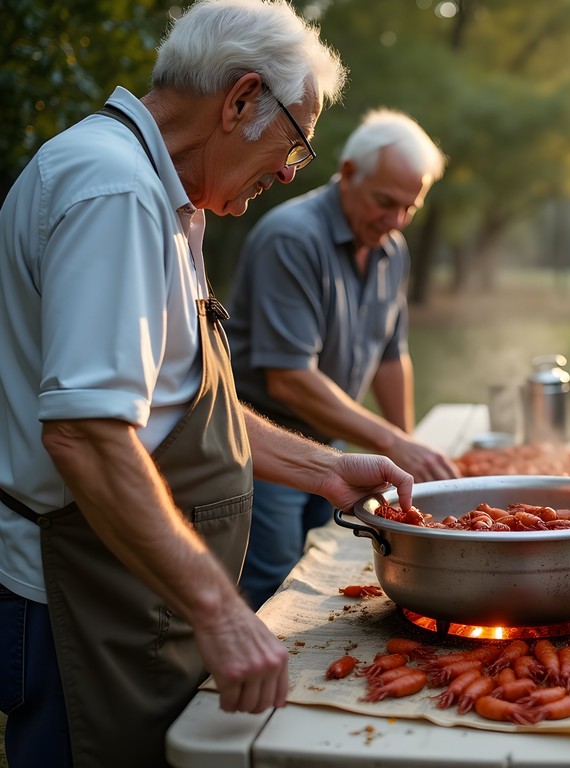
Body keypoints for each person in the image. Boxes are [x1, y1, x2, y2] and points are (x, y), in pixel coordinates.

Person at [0, 2, 414, 766]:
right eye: (296, 141)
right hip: (80, 604)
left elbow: (175, 406)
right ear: (241, 100)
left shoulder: (166, 197)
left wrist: (325, 468)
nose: (293, 171)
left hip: (134, 594)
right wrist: (222, 611)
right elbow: (88, 436)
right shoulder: (113, 190)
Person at [225, 108, 459, 610]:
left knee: (325, 572)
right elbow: (288, 379)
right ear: (349, 172)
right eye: (384, 202)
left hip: (329, 446)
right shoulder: (291, 238)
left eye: (409, 208)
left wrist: (407, 452)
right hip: (264, 448)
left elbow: (391, 358)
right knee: (275, 581)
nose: (396, 220)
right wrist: (391, 440)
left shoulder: (391, 251)